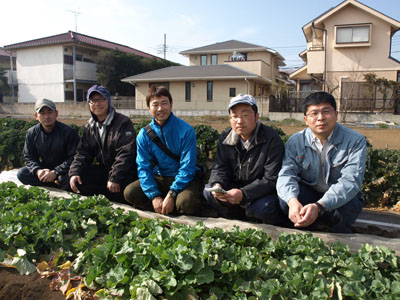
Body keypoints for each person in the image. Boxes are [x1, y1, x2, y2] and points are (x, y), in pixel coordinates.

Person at [277, 91, 367, 233]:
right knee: (285, 201)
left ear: (336, 115)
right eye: (314, 113)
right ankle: (305, 230)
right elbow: (286, 175)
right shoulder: (296, 141)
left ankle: (339, 237)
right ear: (306, 119)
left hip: (341, 198)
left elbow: (351, 181)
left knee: (347, 210)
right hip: (311, 192)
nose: (320, 118)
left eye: (326, 112)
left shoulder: (355, 141)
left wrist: (320, 206)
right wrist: (292, 202)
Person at [202, 94, 285, 224]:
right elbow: (220, 167)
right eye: (234, 116)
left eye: (245, 115)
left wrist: (243, 194)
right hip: (234, 187)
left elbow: (271, 179)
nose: (239, 121)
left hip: (261, 192)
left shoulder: (271, 139)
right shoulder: (225, 137)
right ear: (230, 119)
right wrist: (217, 184)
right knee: (208, 193)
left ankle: (265, 222)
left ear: (256, 117)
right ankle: (237, 220)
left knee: (262, 208)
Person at [124, 86, 201, 215]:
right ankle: (161, 208)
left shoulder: (186, 130)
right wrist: (154, 196)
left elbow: (187, 167)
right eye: (155, 104)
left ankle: (175, 206)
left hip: (184, 179)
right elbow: (143, 167)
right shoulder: (144, 134)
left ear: (171, 104)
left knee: (186, 203)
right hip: (160, 177)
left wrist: (172, 193)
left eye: (164, 103)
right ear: (148, 108)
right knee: (130, 192)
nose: (160, 108)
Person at [69, 85, 137, 202]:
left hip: (125, 172)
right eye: (93, 100)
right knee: (78, 179)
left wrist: (115, 177)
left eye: (102, 99)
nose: (97, 103)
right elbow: (83, 153)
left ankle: (115, 197)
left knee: (124, 191)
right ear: (89, 104)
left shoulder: (123, 123)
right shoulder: (90, 126)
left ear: (108, 101)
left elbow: (126, 153)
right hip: (105, 171)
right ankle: (107, 197)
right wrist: (75, 172)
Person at [17, 98, 79, 191]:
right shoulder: (32, 133)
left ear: (56, 113)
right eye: (42, 113)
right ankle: (54, 185)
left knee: (69, 179)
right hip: (45, 169)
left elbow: (74, 157)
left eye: (49, 112)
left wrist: (56, 172)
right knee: (22, 173)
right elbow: (29, 157)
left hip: (65, 170)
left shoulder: (68, 132)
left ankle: (58, 184)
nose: (46, 116)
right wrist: (38, 171)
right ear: (36, 116)